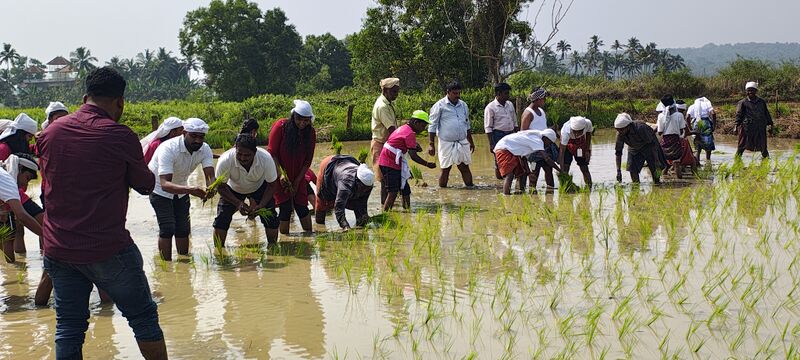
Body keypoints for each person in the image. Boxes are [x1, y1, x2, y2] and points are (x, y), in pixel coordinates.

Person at [36, 67, 166, 359]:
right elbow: (146, 186)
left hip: (59, 250)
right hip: (107, 249)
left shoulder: (50, 134)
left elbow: (50, 182)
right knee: (144, 319)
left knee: (68, 326)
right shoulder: (120, 136)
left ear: (85, 97)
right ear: (120, 102)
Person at [149, 117, 215, 261]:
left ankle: (184, 264)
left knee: (183, 229)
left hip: (182, 187)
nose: (198, 140)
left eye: (201, 137)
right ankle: (167, 267)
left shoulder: (204, 149)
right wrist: (192, 190)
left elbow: (210, 175)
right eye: (194, 136)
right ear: (184, 133)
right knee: (167, 229)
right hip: (159, 189)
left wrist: (212, 188)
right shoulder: (169, 148)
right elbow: (165, 184)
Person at [213, 134, 279, 246]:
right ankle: (219, 252)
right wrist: (238, 203)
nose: (243, 158)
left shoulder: (266, 159)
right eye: (239, 154)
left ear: (255, 152)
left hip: (259, 186)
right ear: (235, 149)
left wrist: (262, 205)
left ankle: (273, 247)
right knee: (221, 219)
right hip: (233, 188)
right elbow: (221, 187)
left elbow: (272, 185)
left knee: (271, 218)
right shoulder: (225, 160)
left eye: (247, 155)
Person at [268, 100, 316, 234]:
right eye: (299, 119)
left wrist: (297, 181)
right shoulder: (280, 127)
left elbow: (308, 160)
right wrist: (281, 174)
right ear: (293, 116)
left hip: (299, 176)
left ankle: (310, 236)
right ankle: (285, 240)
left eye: (306, 121)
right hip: (279, 174)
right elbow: (272, 153)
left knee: (302, 206)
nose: (302, 123)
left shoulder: (310, 133)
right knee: (285, 208)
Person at [381, 111, 437, 211]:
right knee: (393, 192)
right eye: (423, 125)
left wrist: (414, 146)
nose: (423, 128)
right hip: (389, 162)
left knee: (405, 189)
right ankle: (385, 214)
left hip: (390, 160)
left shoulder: (404, 128)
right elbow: (413, 156)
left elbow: (402, 142)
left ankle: (407, 212)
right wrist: (427, 164)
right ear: (416, 122)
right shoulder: (410, 133)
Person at [427, 81, 474, 188]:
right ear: (448, 92)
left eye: (459, 93)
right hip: (446, 143)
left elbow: (467, 124)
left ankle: (471, 188)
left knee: (464, 167)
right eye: (455, 93)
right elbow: (432, 126)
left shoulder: (463, 105)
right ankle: (443, 193)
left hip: (462, 141)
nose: (457, 95)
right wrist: (431, 144)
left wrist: (471, 141)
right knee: (445, 169)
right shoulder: (439, 106)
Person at [0, 153, 44, 262]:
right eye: (27, 178)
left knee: (8, 235)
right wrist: (49, 237)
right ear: (19, 168)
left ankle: (9, 270)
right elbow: (22, 216)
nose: (26, 184)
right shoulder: (7, 180)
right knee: (8, 237)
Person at [314, 156, 374, 229]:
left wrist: (364, 217)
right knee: (321, 204)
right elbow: (339, 207)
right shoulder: (346, 183)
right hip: (329, 165)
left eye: (367, 188)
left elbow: (362, 202)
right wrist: (345, 226)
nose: (365, 190)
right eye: (363, 188)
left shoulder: (368, 183)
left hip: (347, 162)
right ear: (357, 181)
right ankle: (319, 228)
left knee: (359, 207)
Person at [495, 129, 561, 195]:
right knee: (510, 175)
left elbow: (524, 158)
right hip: (504, 148)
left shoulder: (536, 142)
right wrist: (560, 170)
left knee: (523, 172)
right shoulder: (538, 141)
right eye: (549, 143)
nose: (548, 145)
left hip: (513, 151)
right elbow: (547, 159)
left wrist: (528, 173)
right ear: (545, 138)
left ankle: (522, 192)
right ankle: (506, 196)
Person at [614, 113, 666, 184]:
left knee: (655, 171)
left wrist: (656, 161)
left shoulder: (640, 128)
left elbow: (653, 144)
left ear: (628, 126)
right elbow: (618, 152)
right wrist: (618, 171)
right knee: (632, 170)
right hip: (634, 148)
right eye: (618, 130)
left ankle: (657, 184)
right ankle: (636, 187)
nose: (620, 132)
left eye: (622, 129)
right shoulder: (620, 134)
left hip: (649, 146)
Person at [484, 83, 517, 180]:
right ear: (499, 93)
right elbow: (488, 127)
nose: (508, 96)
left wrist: (517, 134)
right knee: (499, 159)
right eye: (506, 93)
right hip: (498, 135)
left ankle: (509, 178)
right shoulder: (490, 107)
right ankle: (499, 181)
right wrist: (491, 143)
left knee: (512, 157)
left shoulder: (510, 104)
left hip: (510, 134)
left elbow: (514, 121)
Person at [371, 78, 400, 187]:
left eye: (397, 92)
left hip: (388, 144)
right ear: (385, 90)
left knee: (391, 177)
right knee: (384, 177)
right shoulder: (382, 106)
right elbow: (391, 129)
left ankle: (390, 202)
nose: (396, 95)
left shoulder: (387, 103)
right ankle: (385, 203)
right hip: (381, 145)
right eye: (394, 92)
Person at [736, 81, 773, 159]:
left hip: (760, 127)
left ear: (756, 91)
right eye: (748, 90)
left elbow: (766, 113)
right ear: (746, 91)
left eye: (752, 90)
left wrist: (770, 124)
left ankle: (766, 161)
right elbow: (738, 115)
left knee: (763, 147)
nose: (750, 92)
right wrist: (736, 126)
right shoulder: (742, 102)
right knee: (741, 145)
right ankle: (737, 160)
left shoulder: (761, 102)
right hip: (747, 128)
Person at [656, 96, 688, 177]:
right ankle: (681, 184)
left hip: (665, 142)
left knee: (665, 164)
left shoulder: (660, 116)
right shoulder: (679, 115)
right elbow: (681, 130)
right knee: (677, 164)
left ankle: (663, 182)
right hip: (676, 141)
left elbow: (660, 132)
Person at [557, 116, 593, 187]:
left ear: (583, 128)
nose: (576, 134)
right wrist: (561, 170)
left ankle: (589, 187)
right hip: (568, 143)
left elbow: (588, 135)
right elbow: (562, 152)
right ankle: (565, 186)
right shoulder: (565, 132)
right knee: (565, 167)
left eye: (579, 132)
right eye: (575, 132)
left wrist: (587, 150)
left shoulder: (588, 123)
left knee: (584, 167)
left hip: (581, 142)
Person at [687, 97, 716, 163]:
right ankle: (708, 162)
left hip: (696, 123)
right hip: (706, 123)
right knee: (708, 143)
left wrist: (690, 128)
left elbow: (687, 117)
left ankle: (697, 162)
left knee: (697, 143)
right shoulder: (707, 104)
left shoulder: (692, 106)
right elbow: (713, 113)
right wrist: (714, 126)